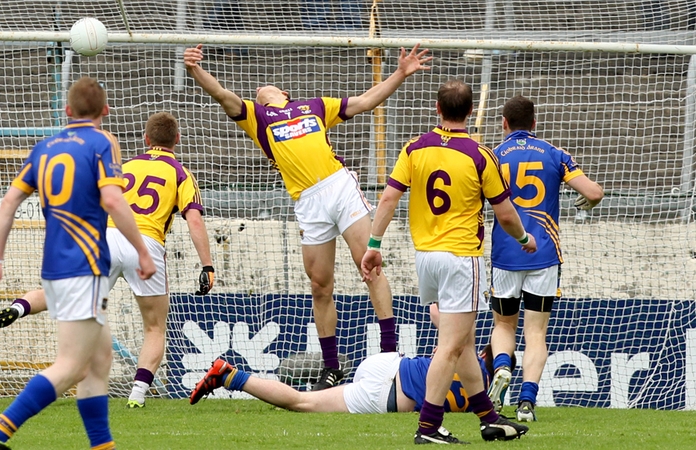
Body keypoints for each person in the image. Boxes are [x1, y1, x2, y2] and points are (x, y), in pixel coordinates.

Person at [183, 42, 431, 391]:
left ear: (283, 93)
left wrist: (400, 73)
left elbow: (364, 102)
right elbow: (223, 95)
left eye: (265, 88)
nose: (259, 89)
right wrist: (195, 71)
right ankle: (332, 367)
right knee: (319, 286)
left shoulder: (312, 107)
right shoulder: (258, 117)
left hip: (338, 187)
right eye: (256, 91)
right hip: (308, 203)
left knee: (370, 266)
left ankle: (389, 355)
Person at [0, 112, 215, 409]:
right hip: (145, 245)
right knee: (154, 327)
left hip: (107, 237)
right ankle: (136, 395)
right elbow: (195, 220)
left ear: (145, 139)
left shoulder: (124, 166)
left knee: (59, 293)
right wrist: (207, 266)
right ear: (177, 139)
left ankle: (15, 310)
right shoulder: (181, 173)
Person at [0, 77, 156, 450]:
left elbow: (8, 203)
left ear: (67, 111)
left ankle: (102, 446)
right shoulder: (102, 142)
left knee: (98, 360)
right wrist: (142, 250)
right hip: (83, 267)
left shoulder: (44, 148)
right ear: (105, 111)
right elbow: (114, 200)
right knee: (71, 365)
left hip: (55, 270)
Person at [360, 79, 536, 445]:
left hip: (425, 258)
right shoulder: (480, 155)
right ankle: (428, 427)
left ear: (437, 109)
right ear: (470, 112)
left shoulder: (414, 148)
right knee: (450, 346)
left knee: (464, 342)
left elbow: (389, 200)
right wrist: (524, 238)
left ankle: (488, 418)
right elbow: (505, 214)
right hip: (460, 260)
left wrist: (373, 244)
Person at [486, 95, 604, 422]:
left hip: (505, 253)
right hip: (544, 255)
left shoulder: (492, 157)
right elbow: (594, 192)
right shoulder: (555, 154)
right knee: (536, 333)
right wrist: (588, 202)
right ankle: (526, 403)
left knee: (503, 325)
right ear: (534, 124)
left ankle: (501, 369)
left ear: (504, 123)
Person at [189, 345, 516, 415]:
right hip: (388, 394)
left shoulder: (463, 348)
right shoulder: (482, 398)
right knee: (303, 403)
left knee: (306, 400)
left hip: (388, 363)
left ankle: (230, 374)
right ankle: (230, 376)